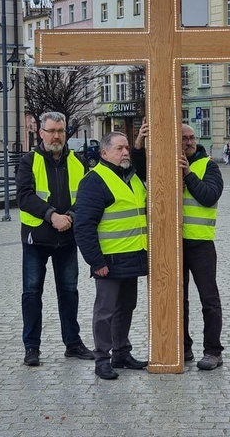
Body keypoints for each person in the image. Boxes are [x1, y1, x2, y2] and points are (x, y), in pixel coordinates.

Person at [132, 122, 224, 371]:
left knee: (209, 299)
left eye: (192, 138)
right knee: (177, 298)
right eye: (184, 138)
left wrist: (188, 175)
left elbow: (208, 196)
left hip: (201, 244)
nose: (189, 142)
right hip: (172, 244)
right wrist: (139, 144)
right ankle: (183, 348)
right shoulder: (166, 163)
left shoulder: (208, 166)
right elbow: (140, 171)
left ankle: (213, 351)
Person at [16, 111, 94, 366]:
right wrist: (52, 216)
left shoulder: (78, 161)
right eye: (51, 131)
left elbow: (84, 196)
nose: (57, 136)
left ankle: (72, 343)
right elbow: (24, 196)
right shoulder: (29, 161)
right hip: (36, 239)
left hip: (67, 238)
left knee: (69, 292)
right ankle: (31, 347)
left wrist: (69, 217)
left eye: (61, 131)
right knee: (31, 292)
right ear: (41, 133)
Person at [74, 131, 148, 380]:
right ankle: (102, 359)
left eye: (126, 148)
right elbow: (83, 226)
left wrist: (139, 145)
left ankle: (121, 353)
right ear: (104, 153)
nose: (125, 152)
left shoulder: (132, 177)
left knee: (126, 307)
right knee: (105, 311)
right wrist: (96, 262)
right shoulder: (94, 180)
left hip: (133, 256)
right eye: (119, 148)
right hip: (108, 261)